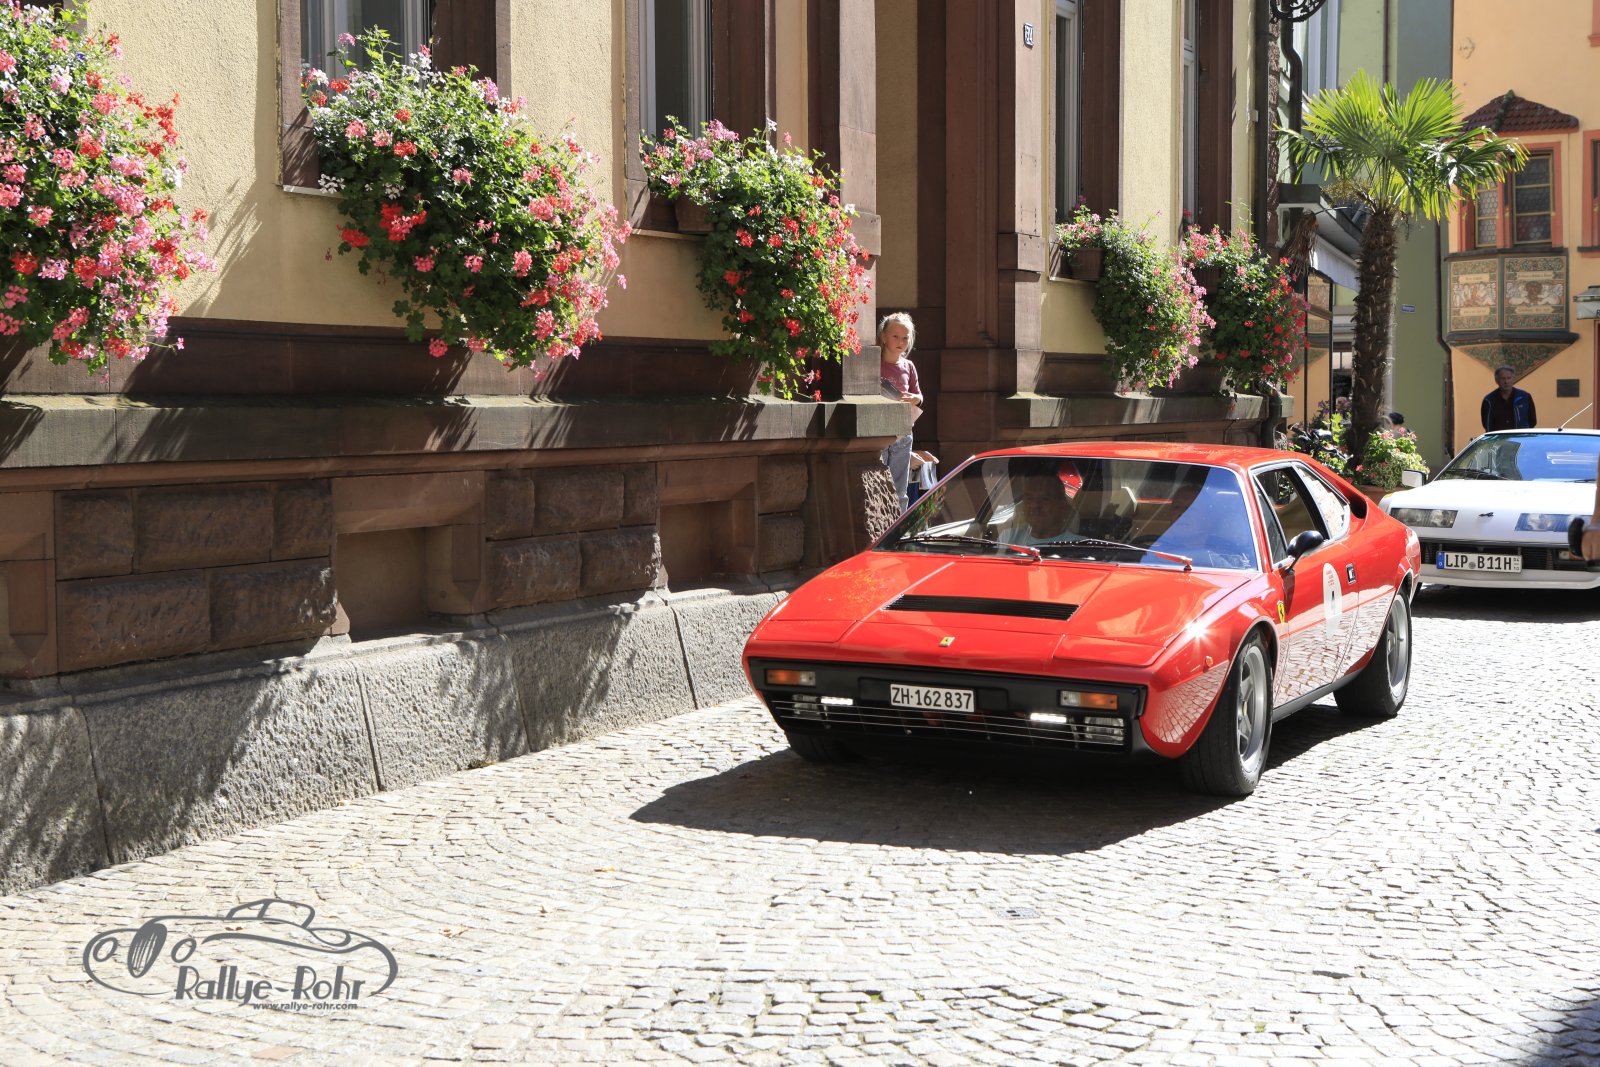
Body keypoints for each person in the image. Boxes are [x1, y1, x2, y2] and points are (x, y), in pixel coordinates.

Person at [877, 312, 923, 511]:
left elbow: (919, 396)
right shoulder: (873, 363)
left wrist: (914, 398)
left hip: (902, 433)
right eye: (895, 336)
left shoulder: (908, 366)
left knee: (899, 490)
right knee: (878, 484)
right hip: (878, 430)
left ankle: (898, 524)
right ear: (883, 336)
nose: (900, 342)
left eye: (905, 338)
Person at [1001, 469, 1084, 547]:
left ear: (1062, 505)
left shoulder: (1081, 546)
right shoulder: (1007, 539)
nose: (1035, 505)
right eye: (1029, 498)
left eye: (1045, 499)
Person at [1480, 365, 1537, 431]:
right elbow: (1486, 423)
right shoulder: (1489, 400)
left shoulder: (1524, 397)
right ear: (1496, 380)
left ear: (1513, 379)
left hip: (1520, 436)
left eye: (1509, 378)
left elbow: (1532, 420)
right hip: (1498, 437)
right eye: (1503, 378)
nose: (1506, 382)